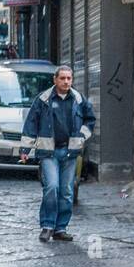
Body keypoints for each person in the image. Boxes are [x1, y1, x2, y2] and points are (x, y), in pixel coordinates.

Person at [19, 65, 95, 242]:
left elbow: (90, 119)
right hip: (49, 152)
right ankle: (47, 226)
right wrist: (25, 149)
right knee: (52, 187)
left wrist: (81, 136)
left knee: (67, 191)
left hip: (70, 152)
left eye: (69, 78)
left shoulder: (78, 99)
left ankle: (61, 228)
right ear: (55, 80)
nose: (66, 81)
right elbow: (31, 124)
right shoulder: (43, 99)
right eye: (63, 78)